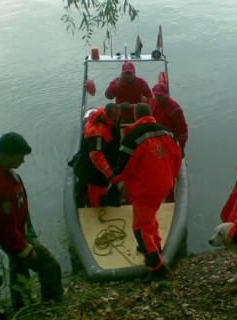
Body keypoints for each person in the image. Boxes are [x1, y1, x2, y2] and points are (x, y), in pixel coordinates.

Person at [0, 132, 63, 310]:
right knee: (49, 266)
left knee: (18, 268)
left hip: (19, 228)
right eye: (19, 159)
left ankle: (21, 305)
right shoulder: (1, 189)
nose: (23, 162)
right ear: (5, 156)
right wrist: (25, 249)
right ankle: (52, 304)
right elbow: (6, 228)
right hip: (15, 236)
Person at [112, 103, 182, 281]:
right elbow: (177, 160)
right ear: (151, 114)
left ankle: (155, 266)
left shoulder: (132, 137)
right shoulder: (168, 133)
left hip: (144, 189)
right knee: (149, 218)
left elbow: (123, 169)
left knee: (140, 227)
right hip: (164, 185)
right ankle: (157, 245)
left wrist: (111, 179)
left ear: (136, 116)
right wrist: (170, 178)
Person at [75, 103, 121, 207]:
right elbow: (96, 156)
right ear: (108, 114)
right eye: (115, 116)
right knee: (97, 197)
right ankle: (96, 209)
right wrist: (109, 173)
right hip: (94, 173)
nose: (117, 119)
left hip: (97, 168)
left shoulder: (103, 119)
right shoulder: (98, 133)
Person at [143, 83, 188, 156]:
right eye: (156, 95)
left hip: (170, 143)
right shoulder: (153, 102)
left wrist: (180, 148)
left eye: (160, 95)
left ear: (166, 94)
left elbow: (183, 131)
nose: (157, 97)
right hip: (157, 141)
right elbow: (146, 102)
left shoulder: (174, 109)